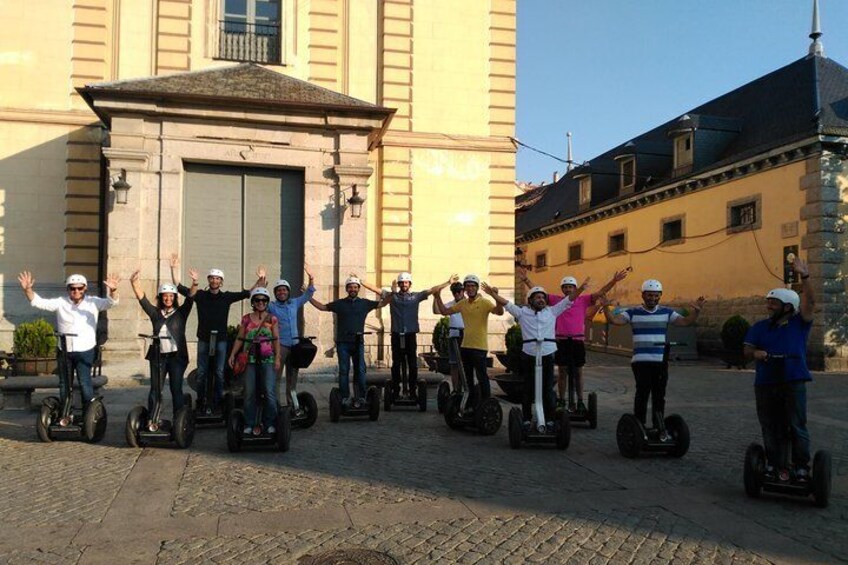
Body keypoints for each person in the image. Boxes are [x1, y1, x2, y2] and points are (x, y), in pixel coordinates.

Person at [601, 279, 705, 439]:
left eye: (656, 295)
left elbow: (685, 322)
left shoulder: (666, 312)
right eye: (649, 295)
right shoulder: (633, 312)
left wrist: (696, 311)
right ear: (643, 295)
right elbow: (614, 321)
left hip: (660, 361)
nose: (652, 298)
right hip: (640, 361)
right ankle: (639, 427)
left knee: (659, 395)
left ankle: (659, 428)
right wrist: (605, 307)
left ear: (660, 296)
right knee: (642, 393)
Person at [518, 266, 629, 412]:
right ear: (562, 289)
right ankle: (562, 401)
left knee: (578, 372)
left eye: (571, 287)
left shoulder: (583, 300)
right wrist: (526, 280)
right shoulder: (557, 301)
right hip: (561, 340)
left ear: (575, 288)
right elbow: (538, 292)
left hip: (577, 340)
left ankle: (581, 401)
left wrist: (614, 280)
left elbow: (601, 292)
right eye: (566, 287)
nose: (568, 289)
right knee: (562, 371)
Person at [743, 256, 815, 483]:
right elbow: (747, 350)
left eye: (773, 303)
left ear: (787, 307)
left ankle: (801, 466)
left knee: (796, 425)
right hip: (766, 382)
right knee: (770, 425)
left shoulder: (799, 323)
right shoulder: (760, 327)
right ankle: (774, 464)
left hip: (793, 379)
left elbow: (810, 303)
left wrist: (804, 276)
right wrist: (755, 354)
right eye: (768, 302)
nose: (768, 306)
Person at [170, 254, 266, 413]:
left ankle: (218, 401)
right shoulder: (200, 295)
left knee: (219, 372)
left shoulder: (226, 297)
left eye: (217, 279)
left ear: (221, 282)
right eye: (212, 278)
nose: (214, 281)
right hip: (204, 338)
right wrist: (173, 268)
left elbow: (247, 294)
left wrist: (260, 280)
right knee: (202, 372)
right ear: (208, 280)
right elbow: (179, 287)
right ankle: (201, 401)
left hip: (221, 339)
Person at [17, 271, 120, 409]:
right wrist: (28, 289)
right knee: (64, 383)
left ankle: (89, 411)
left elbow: (111, 303)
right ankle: (65, 411)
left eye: (79, 288)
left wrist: (113, 290)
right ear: (68, 289)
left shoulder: (93, 302)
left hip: (85, 349)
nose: (76, 291)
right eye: (72, 288)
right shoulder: (61, 303)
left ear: (85, 288)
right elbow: (38, 302)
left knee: (84, 381)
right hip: (64, 350)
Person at [482, 282, 575, 425]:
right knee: (528, 387)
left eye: (543, 297)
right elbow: (506, 303)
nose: (541, 300)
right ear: (530, 300)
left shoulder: (552, 311)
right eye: (537, 297)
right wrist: (492, 294)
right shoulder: (522, 312)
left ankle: (549, 419)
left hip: (547, 354)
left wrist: (580, 288)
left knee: (547, 388)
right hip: (530, 354)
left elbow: (569, 299)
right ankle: (526, 419)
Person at [363, 272, 454, 401]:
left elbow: (432, 290)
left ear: (409, 284)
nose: (404, 285)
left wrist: (448, 282)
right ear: (399, 284)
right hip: (396, 334)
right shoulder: (392, 297)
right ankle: (395, 390)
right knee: (396, 364)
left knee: (412, 364)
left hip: (410, 335)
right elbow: (376, 289)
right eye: (402, 283)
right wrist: (361, 281)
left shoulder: (416, 296)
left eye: (406, 282)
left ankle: (412, 390)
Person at [310, 275, 390, 406]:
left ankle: (361, 397)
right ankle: (345, 397)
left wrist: (388, 292)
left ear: (358, 288)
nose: (353, 289)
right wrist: (308, 297)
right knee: (344, 371)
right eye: (350, 287)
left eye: (355, 287)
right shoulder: (339, 304)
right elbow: (322, 307)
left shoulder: (365, 303)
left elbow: (384, 303)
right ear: (347, 289)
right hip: (343, 343)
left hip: (358, 342)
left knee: (361, 371)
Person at [129, 269, 197, 418]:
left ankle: (179, 420)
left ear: (174, 298)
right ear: (161, 297)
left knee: (176, 389)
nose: (168, 299)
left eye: (171, 296)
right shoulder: (155, 313)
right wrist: (134, 283)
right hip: (158, 357)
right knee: (155, 389)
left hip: (176, 358)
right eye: (165, 296)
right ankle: (152, 420)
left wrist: (194, 283)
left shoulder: (181, 313)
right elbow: (143, 300)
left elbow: (191, 298)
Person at [433, 274, 505, 406]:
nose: (470, 288)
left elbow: (499, 312)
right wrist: (437, 296)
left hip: (479, 347)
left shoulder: (484, 302)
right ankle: (471, 405)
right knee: (468, 380)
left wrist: (496, 296)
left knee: (482, 378)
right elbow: (443, 311)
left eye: (473, 286)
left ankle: (486, 405)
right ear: (465, 289)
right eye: (468, 286)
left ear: (477, 288)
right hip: (465, 346)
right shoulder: (462, 304)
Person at [228, 287, 281, 434]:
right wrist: (233, 354)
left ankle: (269, 422)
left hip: (267, 359)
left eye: (263, 300)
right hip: (250, 360)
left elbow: (276, 340)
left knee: (269, 392)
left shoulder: (272, 319)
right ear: (253, 302)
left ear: (267, 302)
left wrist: (277, 357)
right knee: (249, 393)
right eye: (257, 300)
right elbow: (240, 338)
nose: (260, 303)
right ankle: (249, 423)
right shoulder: (246, 318)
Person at [268, 266, 315, 409]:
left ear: (288, 292)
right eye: (279, 290)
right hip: (280, 346)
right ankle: (275, 406)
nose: (282, 292)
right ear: (276, 293)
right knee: (275, 377)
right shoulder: (272, 306)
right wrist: (261, 283)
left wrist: (311, 278)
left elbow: (308, 294)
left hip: (295, 345)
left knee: (292, 377)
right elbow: (259, 300)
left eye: (284, 290)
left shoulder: (294, 303)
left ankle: (290, 404)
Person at [433, 281, 466, 389]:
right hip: (454, 335)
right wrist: (436, 297)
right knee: (454, 364)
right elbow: (437, 310)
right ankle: (456, 389)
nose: (457, 294)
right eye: (454, 292)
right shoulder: (451, 304)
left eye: (459, 291)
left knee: (466, 364)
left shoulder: (470, 303)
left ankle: (466, 387)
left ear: (463, 291)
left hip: (466, 335)